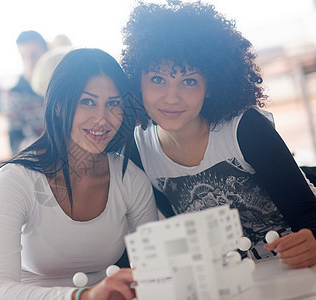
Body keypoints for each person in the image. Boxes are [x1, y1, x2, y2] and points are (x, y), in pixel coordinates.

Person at [121, 0, 316, 269]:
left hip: (293, 267)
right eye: (157, 79)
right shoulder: (139, 149)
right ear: (137, 81)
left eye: (189, 81)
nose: (171, 97)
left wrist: (312, 240)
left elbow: (308, 215)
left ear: (210, 86)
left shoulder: (245, 129)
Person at [0, 48, 158, 299]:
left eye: (113, 104)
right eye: (87, 102)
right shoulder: (15, 180)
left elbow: (154, 271)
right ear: (58, 106)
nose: (102, 118)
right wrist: (83, 296)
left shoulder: (129, 178)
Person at [1, 30, 48, 153]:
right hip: (37, 157)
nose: (29, 63)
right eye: (23, 57)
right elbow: (15, 143)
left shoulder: (59, 88)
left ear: (46, 53)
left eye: (34, 56)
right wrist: (39, 145)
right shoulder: (12, 95)